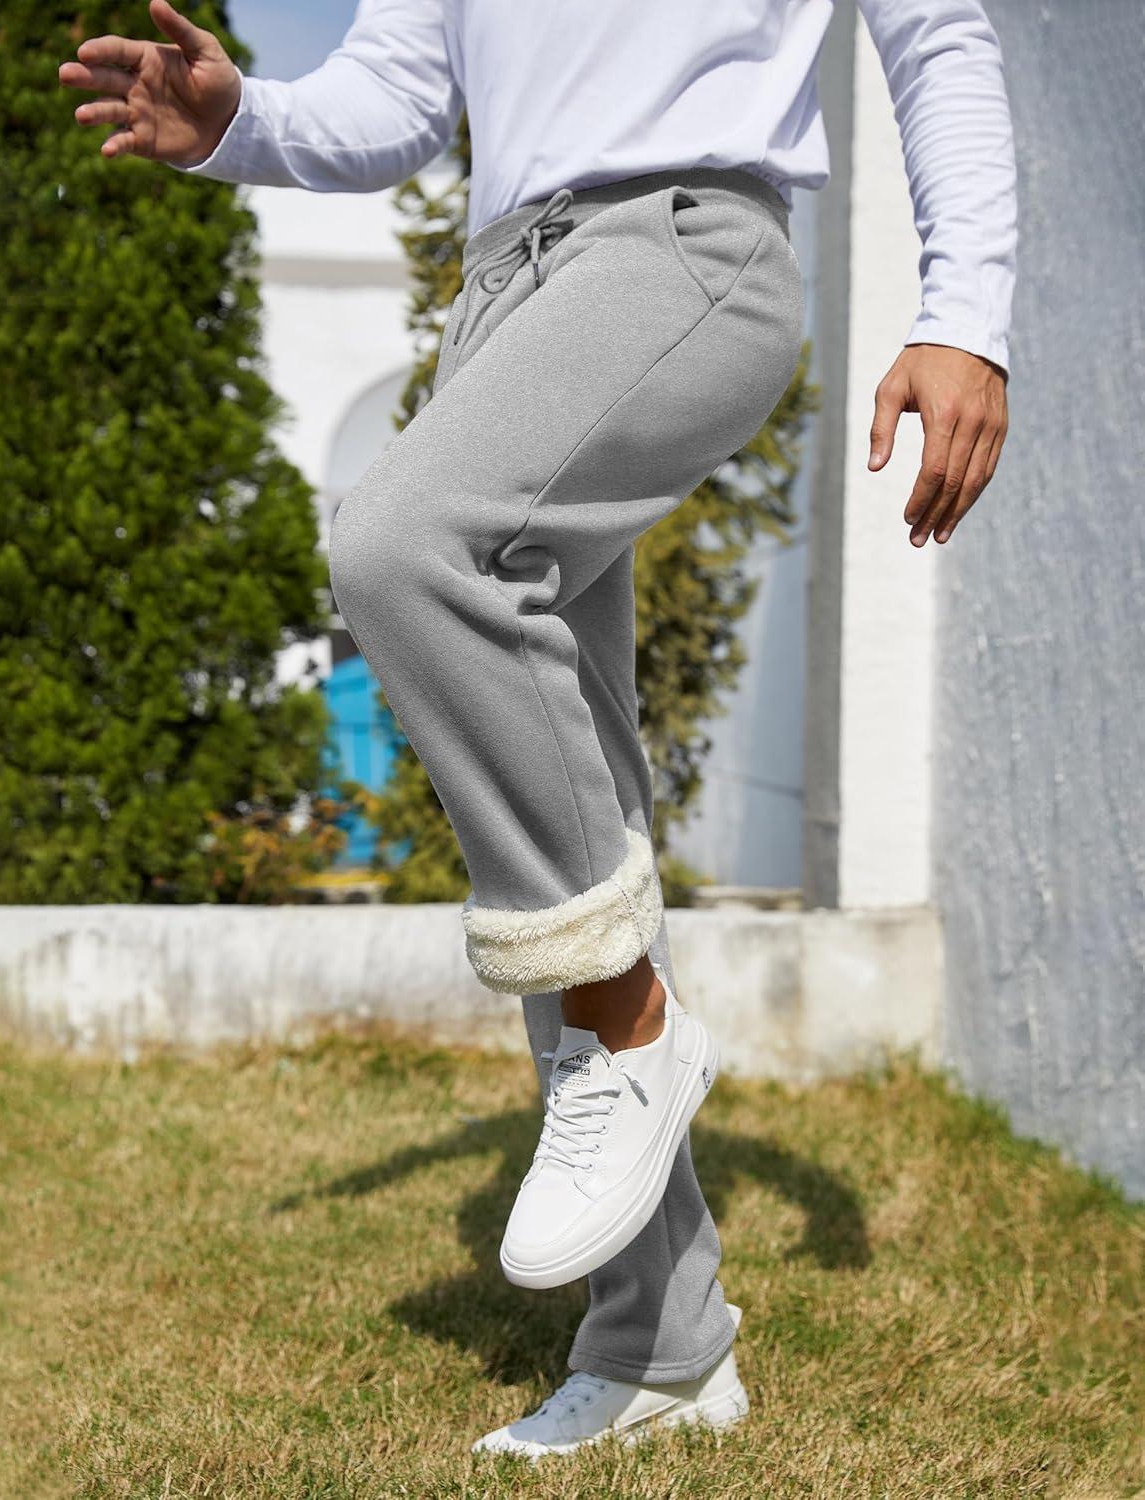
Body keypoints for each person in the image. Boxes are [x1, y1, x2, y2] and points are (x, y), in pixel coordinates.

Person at [59, 0, 1015, 1460]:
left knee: (402, 549)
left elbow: (938, 32)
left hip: (679, 249)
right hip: (510, 292)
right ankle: (663, 1352)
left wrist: (963, 313)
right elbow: (396, 99)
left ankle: (631, 1026)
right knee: (566, 811)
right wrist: (244, 121)